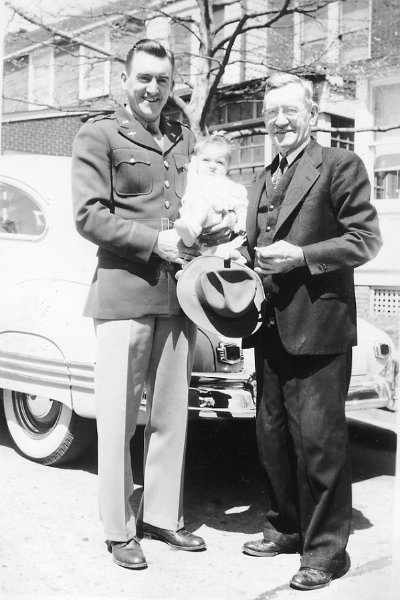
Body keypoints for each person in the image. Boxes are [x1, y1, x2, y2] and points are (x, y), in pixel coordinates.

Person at [241, 72, 382, 591]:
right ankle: (287, 528)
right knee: (273, 437)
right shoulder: (260, 180)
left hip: (320, 326)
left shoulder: (340, 165)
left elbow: (365, 239)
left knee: (321, 443)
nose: (279, 120)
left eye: (290, 111)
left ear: (313, 114)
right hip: (269, 329)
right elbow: (253, 247)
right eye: (271, 111)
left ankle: (327, 552)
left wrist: (302, 256)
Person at [71, 39, 207, 570]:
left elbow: (190, 203)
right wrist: (157, 242)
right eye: (144, 78)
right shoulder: (98, 134)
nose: (154, 89)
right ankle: (118, 527)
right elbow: (88, 216)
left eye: (163, 80)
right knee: (119, 419)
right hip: (124, 295)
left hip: (178, 297)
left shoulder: (180, 138)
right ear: (123, 81)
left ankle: (161, 516)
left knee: (172, 415)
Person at [174, 133, 247, 259]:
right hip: (192, 222)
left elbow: (241, 207)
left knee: (204, 204)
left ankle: (192, 230)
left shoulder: (227, 185)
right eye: (206, 160)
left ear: (228, 167)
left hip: (214, 218)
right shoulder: (194, 180)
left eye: (219, 163)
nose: (212, 166)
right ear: (197, 162)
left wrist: (241, 223)